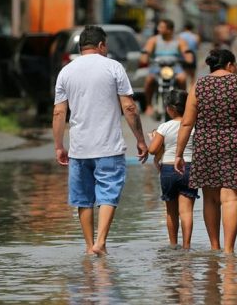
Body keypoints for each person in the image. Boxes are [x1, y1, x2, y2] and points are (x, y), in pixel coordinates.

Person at [52, 25, 149, 256]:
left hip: (79, 149)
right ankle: (101, 242)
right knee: (108, 193)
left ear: (80, 47)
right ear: (101, 45)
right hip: (108, 147)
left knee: (83, 199)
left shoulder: (66, 71)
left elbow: (58, 112)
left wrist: (58, 146)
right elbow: (129, 107)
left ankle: (88, 247)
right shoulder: (114, 67)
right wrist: (141, 140)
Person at [174, 49, 237, 254]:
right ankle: (229, 251)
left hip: (206, 145)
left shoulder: (199, 85)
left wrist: (179, 153)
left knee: (211, 199)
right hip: (236, 144)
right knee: (231, 198)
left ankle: (214, 247)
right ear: (230, 65)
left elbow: (186, 123)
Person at [148, 89, 199, 249]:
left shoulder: (165, 127)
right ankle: (186, 246)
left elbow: (153, 150)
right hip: (189, 168)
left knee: (171, 211)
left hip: (168, 170)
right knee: (187, 211)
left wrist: (153, 138)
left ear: (169, 108)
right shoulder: (193, 126)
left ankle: (173, 244)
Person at [140, 19, 194, 117]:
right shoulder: (154, 40)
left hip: (174, 67)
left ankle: (183, 103)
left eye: (161, 27)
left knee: (182, 78)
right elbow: (146, 51)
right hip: (158, 67)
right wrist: (145, 57)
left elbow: (186, 51)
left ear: (169, 30)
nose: (158, 29)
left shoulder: (179, 41)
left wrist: (188, 57)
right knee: (149, 80)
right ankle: (148, 105)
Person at [178, 22, 200, 88]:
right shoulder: (196, 36)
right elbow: (197, 46)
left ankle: (184, 90)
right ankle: (192, 91)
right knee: (192, 76)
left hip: (182, 56)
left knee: (183, 74)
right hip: (192, 56)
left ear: (185, 28)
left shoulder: (180, 35)